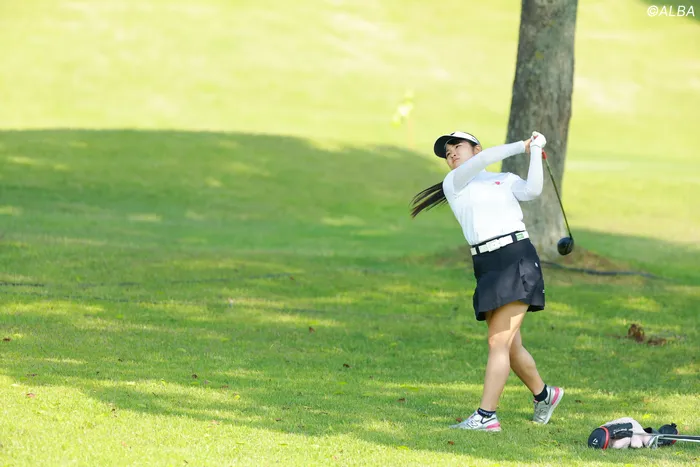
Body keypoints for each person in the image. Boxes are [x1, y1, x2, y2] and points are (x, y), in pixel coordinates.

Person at [410, 130, 563, 432]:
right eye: (447, 153)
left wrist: (534, 151)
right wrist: (522, 145)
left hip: (516, 257)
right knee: (510, 346)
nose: (452, 154)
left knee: (498, 341)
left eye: (457, 147)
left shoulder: (504, 180)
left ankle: (486, 416)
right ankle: (545, 394)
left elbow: (532, 190)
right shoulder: (454, 182)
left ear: (476, 148)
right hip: (486, 265)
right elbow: (486, 159)